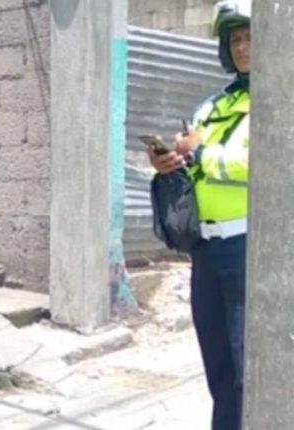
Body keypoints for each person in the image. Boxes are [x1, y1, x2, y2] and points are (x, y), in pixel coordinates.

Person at [148, 1, 250, 429]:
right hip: (205, 251)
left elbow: (256, 165)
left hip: (250, 251)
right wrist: (169, 162)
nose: (242, 47)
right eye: (236, 40)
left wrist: (199, 153)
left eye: (250, 38)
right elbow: (196, 160)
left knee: (253, 366)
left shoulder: (283, 100)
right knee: (220, 367)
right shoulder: (212, 106)